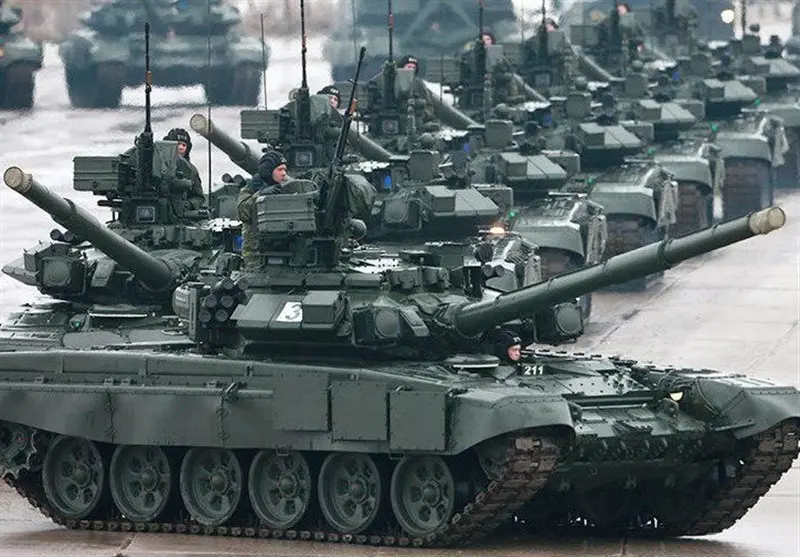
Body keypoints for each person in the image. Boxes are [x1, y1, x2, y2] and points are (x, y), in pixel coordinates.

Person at [237, 150, 289, 267]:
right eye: (280, 170)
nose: (284, 173)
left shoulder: (287, 188)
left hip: (284, 250)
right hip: (255, 253)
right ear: (268, 170)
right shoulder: (250, 188)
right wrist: (260, 195)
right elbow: (243, 213)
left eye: (285, 170)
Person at [163, 128, 205, 210]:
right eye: (178, 144)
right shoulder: (156, 165)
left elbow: (199, 197)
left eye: (184, 145)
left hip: (179, 212)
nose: (181, 147)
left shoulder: (191, 170)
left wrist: (189, 204)